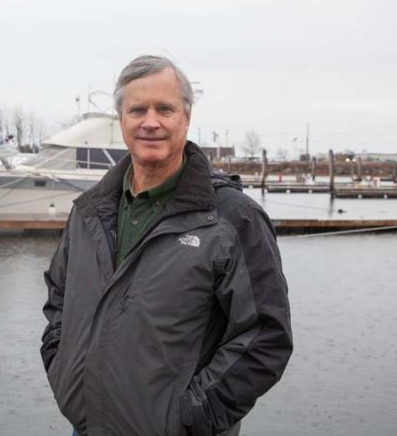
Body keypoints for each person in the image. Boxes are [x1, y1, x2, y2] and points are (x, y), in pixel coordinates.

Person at [41, 55, 293, 436]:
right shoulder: (88, 212)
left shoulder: (232, 218)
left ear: (186, 118)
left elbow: (265, 337)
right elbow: (59, 299)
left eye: (165, 108)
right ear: (121, 119)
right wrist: (63, 372)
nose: (150, 121)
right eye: (137, 109)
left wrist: (191, 417)